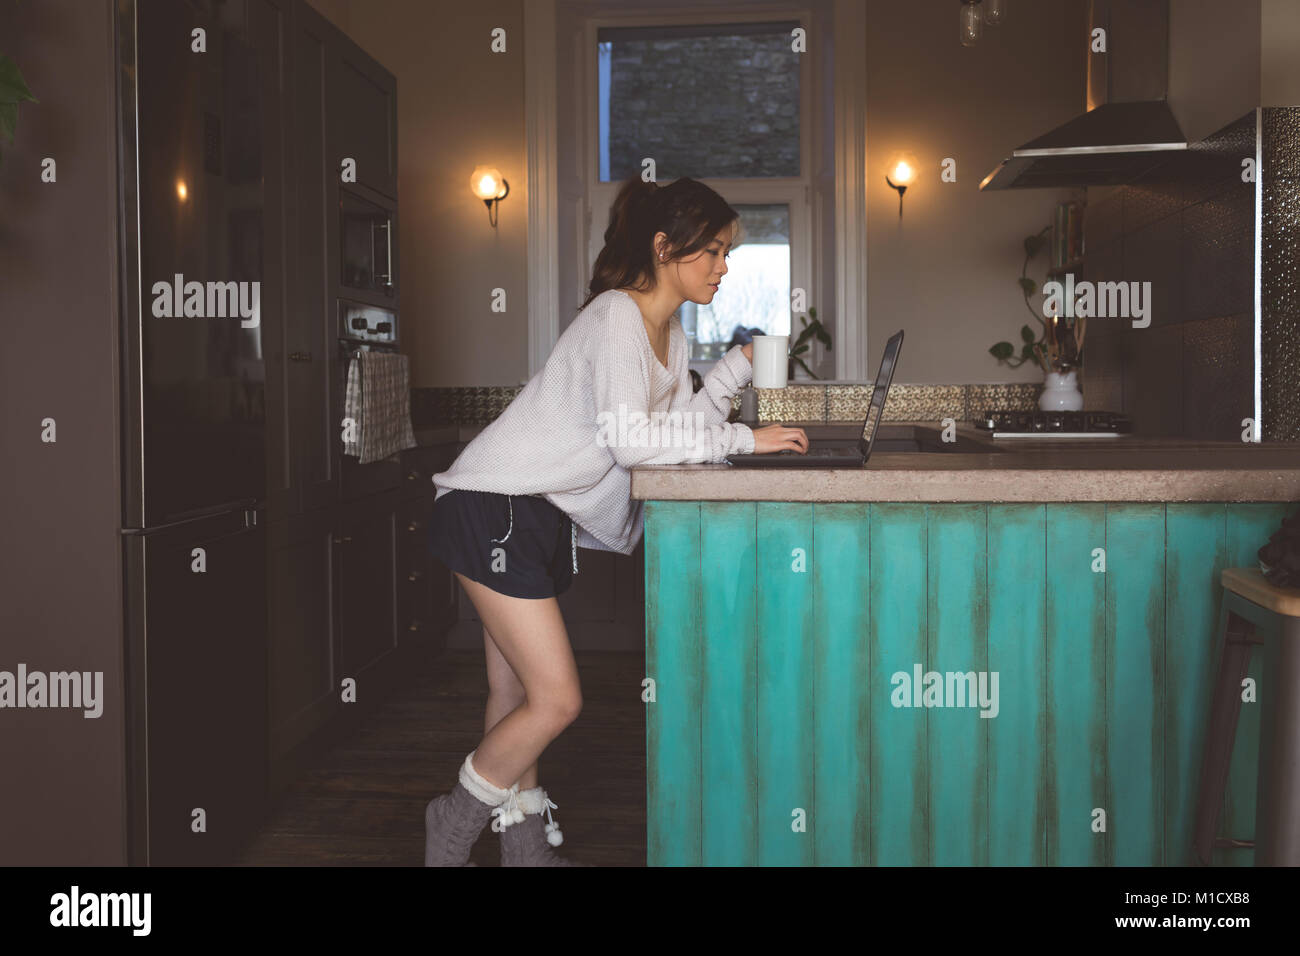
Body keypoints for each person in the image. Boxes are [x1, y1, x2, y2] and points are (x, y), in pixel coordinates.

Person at [422, 175, 809, 866]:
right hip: (493, 509)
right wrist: (749, 440)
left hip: (532, 517)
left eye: (727, 253)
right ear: (665, 248)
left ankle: (525, 850)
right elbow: (633, 444)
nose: (724, 267)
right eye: (713, 252)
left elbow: (670, 432)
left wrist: (733, 373)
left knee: (514, 693)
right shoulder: (615, 317)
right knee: (558, 700)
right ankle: (452, 820)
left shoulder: (671, 337)